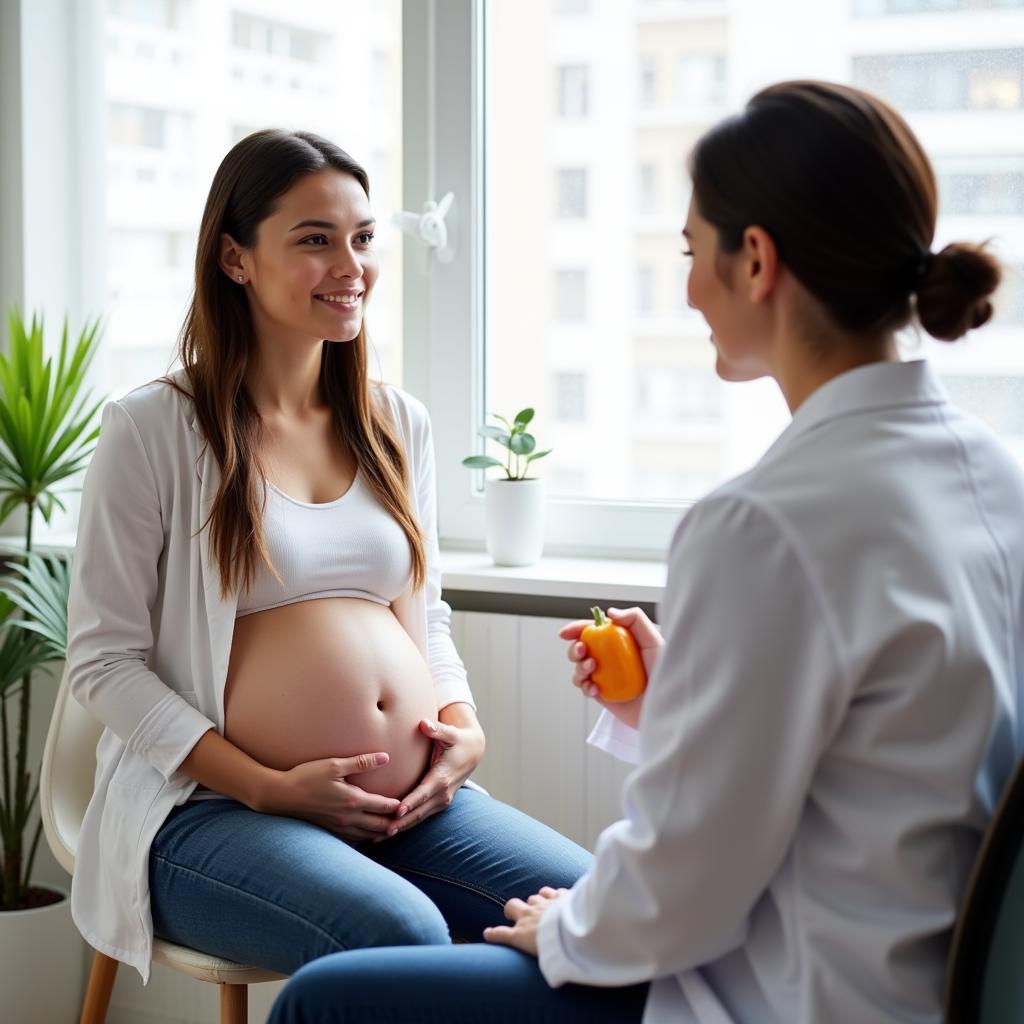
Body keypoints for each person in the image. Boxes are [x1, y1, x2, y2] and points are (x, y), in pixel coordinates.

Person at [266, 80, 1024, 1023]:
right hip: (929, 983)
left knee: (323, 1004)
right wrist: (678, 699)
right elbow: (873, 755)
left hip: (790, 996)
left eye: (691, 251)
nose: (689, 287)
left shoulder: (764, 524)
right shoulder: (997, 479)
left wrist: (572, 929)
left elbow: (681, 887)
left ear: (756, 261)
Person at [65, 128, 591, 984]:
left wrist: (461, 728)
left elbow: (427, 618)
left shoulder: (394, 421)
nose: (351, 265)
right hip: (205, 813)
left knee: (599, 908)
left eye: (363, 238)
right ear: (236, 258)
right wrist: (267, 786)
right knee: (401, 936)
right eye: (315, 240)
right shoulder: (152, 429)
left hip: (407, 806)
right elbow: (103, 662)